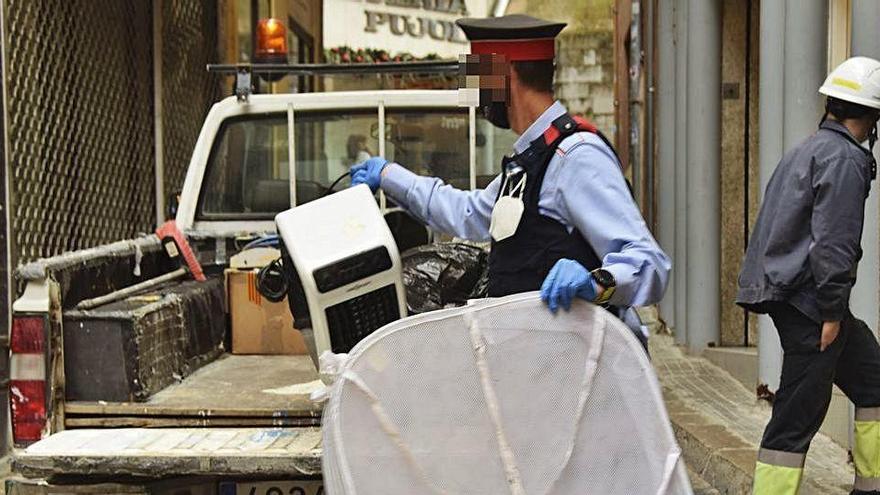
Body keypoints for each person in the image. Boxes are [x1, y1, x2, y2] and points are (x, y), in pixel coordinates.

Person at [351, 14, 669, 345]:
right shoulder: (531, 158)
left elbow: (648, 262)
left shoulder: (576, 156)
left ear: (505, 72)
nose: (474, 92)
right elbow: (469, 213)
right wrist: (389, 175)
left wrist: (596, 281)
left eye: (475, 76)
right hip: (536, 362)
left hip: (575, 370)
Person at [737, 56, 880, 495]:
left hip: (795, 293)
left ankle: (871, 485)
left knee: (873, 379)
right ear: (873, 116)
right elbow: (834, 244)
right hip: (813, 303)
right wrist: (831, 312)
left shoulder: (810, 148)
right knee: (798, 414)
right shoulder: (845, 159)